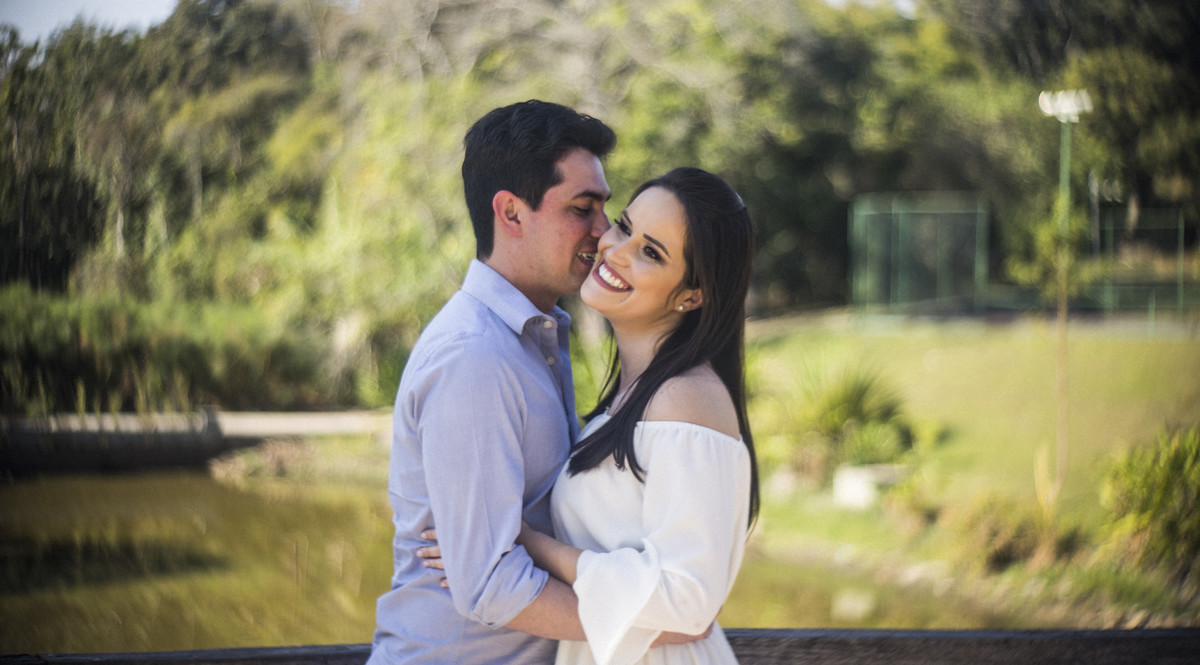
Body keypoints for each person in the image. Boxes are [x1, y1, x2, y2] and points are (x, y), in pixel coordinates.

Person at [423, 167, 761, 664]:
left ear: (693, 294)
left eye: (651, 252)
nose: (614, 249)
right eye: (624, 226)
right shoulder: (638, 396)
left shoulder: (684, 400)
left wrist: (524, 543)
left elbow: (688, 601)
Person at [367, 99, 616, 665]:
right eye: (583, 208)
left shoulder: (534, 335)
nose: (603, 231)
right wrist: (651, 620)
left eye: (603, 207)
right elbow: (488, 585)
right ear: (511, 213)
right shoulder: (474, 357)